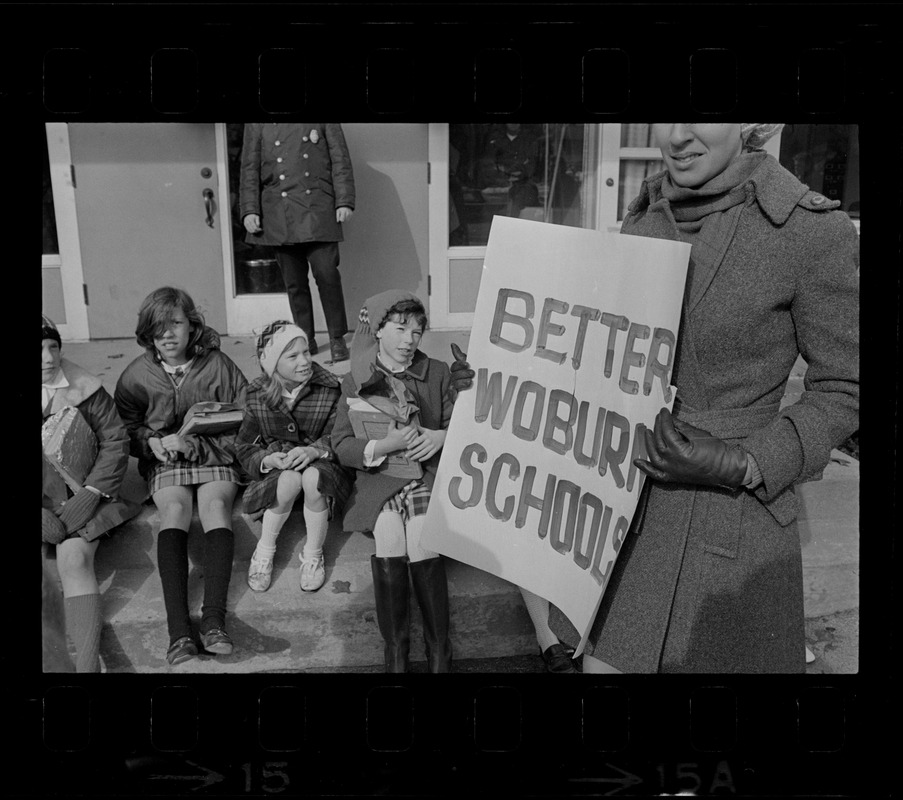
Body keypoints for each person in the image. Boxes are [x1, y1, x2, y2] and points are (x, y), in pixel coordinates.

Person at [542, 123, 859, 674]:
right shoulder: (643, 217)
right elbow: (614, 357)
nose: (676, 136)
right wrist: (507, 372)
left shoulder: (811, 230)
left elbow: (846, 387)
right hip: (629, 517)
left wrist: (745, 463)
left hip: (734, 527)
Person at [114, 287, 248, 666]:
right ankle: (179, 633)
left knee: (216, 505)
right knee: (174, 511)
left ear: (191, 324)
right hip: (167, 458)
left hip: (216, 452)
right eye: (158, 327)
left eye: (175, 323)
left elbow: (247, 418)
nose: (167, 334)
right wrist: (151, 442)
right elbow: (124, 428)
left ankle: (214, 621)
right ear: (147, 332)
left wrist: (199, 445)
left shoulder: (218, 364)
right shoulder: (135, 375)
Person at [332, 291, 455, 673]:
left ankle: (439, 653)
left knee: (421, 538)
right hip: (378, 480)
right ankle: (396, 653)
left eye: (417, 332)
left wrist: (441, 437)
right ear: (378, 330)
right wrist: (383, 445)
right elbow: (341, 444)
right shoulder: (356, 379)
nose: (408, 340)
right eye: (400, 329)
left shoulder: (437, 372)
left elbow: (462, 424)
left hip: (424, 476)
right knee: (389, 536)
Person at [41, 314, 141, 672]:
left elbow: (115, 440)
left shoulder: (85, 388)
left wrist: (92, 493)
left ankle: (87, 669)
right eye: (39, 350)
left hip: (85, 496)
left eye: (53, 347)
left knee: (73, 560)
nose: (48, 358)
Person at [234, 320, 354, 594]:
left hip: (323, 465)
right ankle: (265, 550)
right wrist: (268, 459)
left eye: (306, 352)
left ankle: (313, 554)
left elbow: (340, 435)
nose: (304, 361)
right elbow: (244, 446)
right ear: (273, 365)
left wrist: (316, 450)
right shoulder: (256, 395)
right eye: (292, 356)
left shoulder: (329, 388)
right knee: (288, 480)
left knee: (312, 478)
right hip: (281, 471)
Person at [239, 123, 355, 363]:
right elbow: (249, 169)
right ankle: (305, 338)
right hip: (279, 211)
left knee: (327, 274)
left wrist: (344, 201)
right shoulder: (257, 123)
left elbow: (340, 159)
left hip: (318, 207)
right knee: (294, 283)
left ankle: (337, 337)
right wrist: (250, 209)